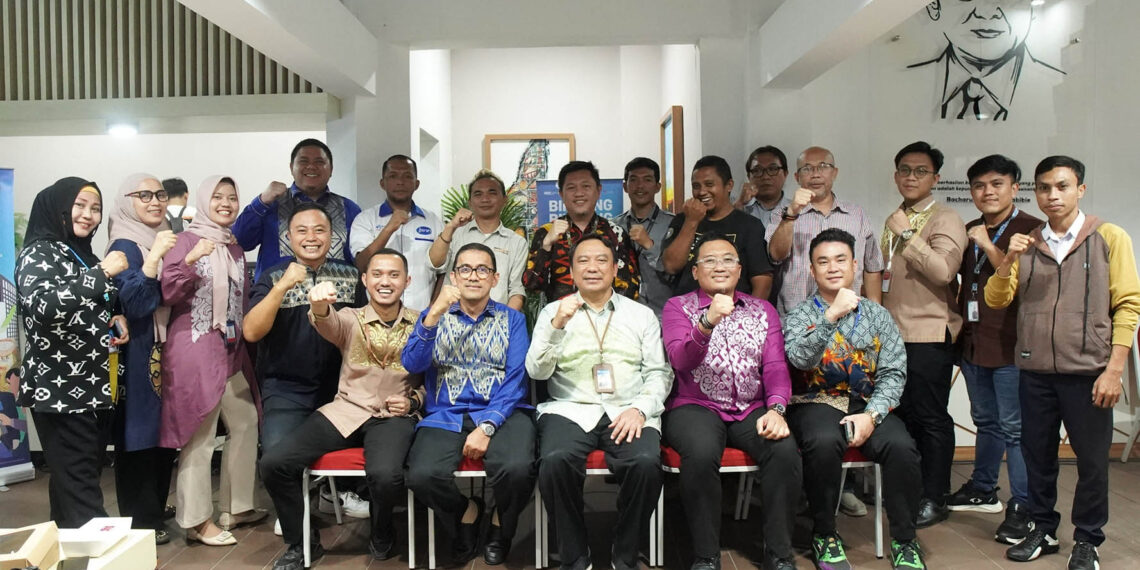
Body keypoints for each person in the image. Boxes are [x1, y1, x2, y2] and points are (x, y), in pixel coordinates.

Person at [986, 156, 1140, 570]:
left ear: (1080, 190)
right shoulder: (1028, 242)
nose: (1052, 196)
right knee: (1038, 457)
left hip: (1090, 372)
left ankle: (1088, 540)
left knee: (1091, 462)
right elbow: (996, 300)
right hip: (1034, 371)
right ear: (1035, 192)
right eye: (1044, 188)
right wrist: (1007, 260)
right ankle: (1043, 528)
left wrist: (1114, 370)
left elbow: (1128, 306)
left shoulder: (1109, 237)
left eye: (1062, 186)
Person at [260, 248, 425, 570]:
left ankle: (382, 529)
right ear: (365, 280)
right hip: (346, 410)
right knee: (274, 463)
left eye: (394, 275)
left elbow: (435, 382)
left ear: (407, 281)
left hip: (394, 415)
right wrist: (319, 303)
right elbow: (326, 321)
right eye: (377, 274)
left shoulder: (422, 324)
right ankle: (302, 543)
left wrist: (414, 401)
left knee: (386, 476)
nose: (385, 281)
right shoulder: (351, 319)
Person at [526, 235, 672, 570]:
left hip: (629, 407)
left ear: (616, 268)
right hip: (570, 407)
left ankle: (625, 553)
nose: (592, 267)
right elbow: (536, 371)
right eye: (583, 261)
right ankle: (575, 556)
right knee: (555, 459)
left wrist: (641, 409)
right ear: (571, 271)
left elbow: (659, 373)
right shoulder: (553, 311)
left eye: (601, 260)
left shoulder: (641, 315)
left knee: (646, 462)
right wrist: (557, 326)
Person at [784, 228, 926, 570]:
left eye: (840, 260)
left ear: (855, 265)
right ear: (812, 270)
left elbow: (894, 372)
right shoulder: (800, 314)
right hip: (815, 403)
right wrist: (829, 316)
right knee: (822, 440)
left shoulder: (878, 315)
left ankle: (905, 540)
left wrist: (872, 415)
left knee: (902, 446)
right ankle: (824, 533)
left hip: (867, 404)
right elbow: (798, 360)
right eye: (823, 261)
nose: (832, 267)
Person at [661, 235, 799, 570]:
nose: (719, 266)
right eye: (709, 260)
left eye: (728, 259)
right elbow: (680, 360)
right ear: (695, 271)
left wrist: (777, 409)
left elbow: (776, 366)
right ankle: (707, 555)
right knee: (701, 450)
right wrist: (707, 322)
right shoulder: (677, 307)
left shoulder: (762, 310)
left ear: (740, 269)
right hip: (694, 405)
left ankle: (779, 553)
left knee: (783, 450)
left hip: (752, 408)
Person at [403, 243, 536, 566]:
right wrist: (433, 314)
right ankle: (466, 510)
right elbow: (412, 363)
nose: (473, 276)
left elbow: (517, 379)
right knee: (421, 474)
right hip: (446, 413)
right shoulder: (432, 316)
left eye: (482, 270)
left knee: (518, 468)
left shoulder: (512, 320)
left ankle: (501, 525)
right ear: (453, 276)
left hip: (503, 411)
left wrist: (488, 425)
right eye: (465, 269)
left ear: (494, 278)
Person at [242, 202, 367, 520]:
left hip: (341, 390)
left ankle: (337, 493)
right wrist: (283, 285)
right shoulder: (272, 275)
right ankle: (297, 520)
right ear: (288, 237)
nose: (311, 237)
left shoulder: (351, 275)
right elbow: (252, 331)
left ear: (332, 234)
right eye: (302, 230)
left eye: (319, 229)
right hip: (286, 389)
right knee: (276, 458)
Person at [15, 177, 128, 528]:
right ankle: (105, 556)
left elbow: (78, 304)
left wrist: (113, 315)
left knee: (73, 482)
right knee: (81, 487)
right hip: (60, 389)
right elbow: (42, 305)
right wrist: (102, 273)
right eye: (80, 206)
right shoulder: (39, 251)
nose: (89, 215)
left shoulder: (78, 251)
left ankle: (67, 556)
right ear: (59, 208)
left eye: (95, 208)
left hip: (92, 385)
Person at [161, 176, 264, 545]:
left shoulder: (234, 247)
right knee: (199, 435)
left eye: (232, 197)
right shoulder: (186, 240)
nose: (225, 203)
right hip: (194, 347)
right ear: (204, 201)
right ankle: (196, 521)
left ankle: (237, 506)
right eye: (217, 197)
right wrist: (191, 258)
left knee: (246, 420)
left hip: (231, 350)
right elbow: (169, 290)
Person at [951, 155, 1043, 543]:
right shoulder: (970, 227)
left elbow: (1022, 286)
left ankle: (1023, 505)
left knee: (1015, 429)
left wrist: (989, 245)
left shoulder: (1032, 230)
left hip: (1012, 346)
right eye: (979, 186)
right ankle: (983, 487)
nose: (987, 192)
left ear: (1014, 187)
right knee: (985, 421)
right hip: (974, 341)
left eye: (997, 184)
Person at [878, 141, 967, 528]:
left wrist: (907, 235)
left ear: (935, 178)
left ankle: (936, 495)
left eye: (920, 171)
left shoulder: (944, 218)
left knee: (931, 417)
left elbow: (943, 273)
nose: (911, 177)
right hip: (896, 333)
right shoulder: (896, 216)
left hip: (930, 332)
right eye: (904, 170)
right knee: (907, 415)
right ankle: (912, 491)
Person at [106, 173, 180, 544]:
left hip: (162, 347)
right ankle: (139, 519)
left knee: (162, 432)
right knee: (138, 433)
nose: (154, 201)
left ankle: (153, 508)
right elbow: (136, 303)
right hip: (136, 351)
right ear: (125, 200)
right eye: (144, 195)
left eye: (160, 194)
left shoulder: (162, 236)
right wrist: (153, 259)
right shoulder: (125, 243)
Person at [766, 146, 884, 314]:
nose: (815, 174)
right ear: (797, 177)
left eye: (823, 167)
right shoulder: (782, 214)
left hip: (849, 318)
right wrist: (791, 214)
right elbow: (776, 255)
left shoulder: (856, 215)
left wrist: (875, 315)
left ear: (834, 173)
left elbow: (873, 267)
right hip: (797, 319)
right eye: (807, 168)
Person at [909, 0, 1062, 121]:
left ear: (1031, 9)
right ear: (933, 6)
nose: (985, 14)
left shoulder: (1061, 87)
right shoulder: (904, 85)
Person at [233, 138, 361, 280]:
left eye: (319, 162)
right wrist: (261, 202)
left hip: (335, 296)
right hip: (275, 297)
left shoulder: (349, 209)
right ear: (291, 168)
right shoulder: (271, 204)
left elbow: (359, 259)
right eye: (303, 161)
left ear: (331, 169)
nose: (311, 167)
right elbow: (239, 241)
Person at [524, 161, 640, 302]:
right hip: (561, 318)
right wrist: (547, 246)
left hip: (606, 318)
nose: (579, 193)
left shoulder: (616, 233)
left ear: (598, 190)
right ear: (561, 194)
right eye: (571, 187)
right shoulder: (546, 232)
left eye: (586, 186)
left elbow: (631, 287)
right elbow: (531, 285)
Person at [661, 155, 774, 299]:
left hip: (734, 312)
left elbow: (762, 281)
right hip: (687, 312)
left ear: (729, 185)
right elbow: (671, 266)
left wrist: (751, 317)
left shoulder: (749, 225)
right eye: (696, 186)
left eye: (709, 184)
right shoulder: (682, 220)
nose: (702, 192)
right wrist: (691, 221)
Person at [350, 154, 444, 310]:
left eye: (407, 176)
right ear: (382, 183)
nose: (400, 182)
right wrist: (389, 228)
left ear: (417, 184)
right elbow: (362, 264)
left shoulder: (433, 221)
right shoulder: (365, 219)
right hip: (377, 318)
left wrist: (434, 307)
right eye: (393, 176)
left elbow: (443, 271)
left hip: (421, 316)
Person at [427, 169, 528, 310]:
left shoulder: (517, 242)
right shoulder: (455, 234)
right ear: (470, 202)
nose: (485, 199)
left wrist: (505, 323)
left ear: (504, 200)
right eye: (478, 194)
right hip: (452, 318)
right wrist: (450, 226)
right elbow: (434, 263)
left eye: (492, 193)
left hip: (496, 319)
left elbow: (516, 289)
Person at [614, 157, 676, 316]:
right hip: (623, 316)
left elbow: (678, 273)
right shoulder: (613, 227)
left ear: (658, 187)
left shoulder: (674, 224)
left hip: (662, 315)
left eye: (647, 180)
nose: (640, 186)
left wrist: (650, 245)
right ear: (625, 186)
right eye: (633, 180)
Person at [735, 145, 792, 230]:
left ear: (785, 173)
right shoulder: (738, 207)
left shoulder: (797, 210)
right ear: (748, 176)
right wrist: (739, 204)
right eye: (757, 171)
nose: (765, 177)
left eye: (772, 169)